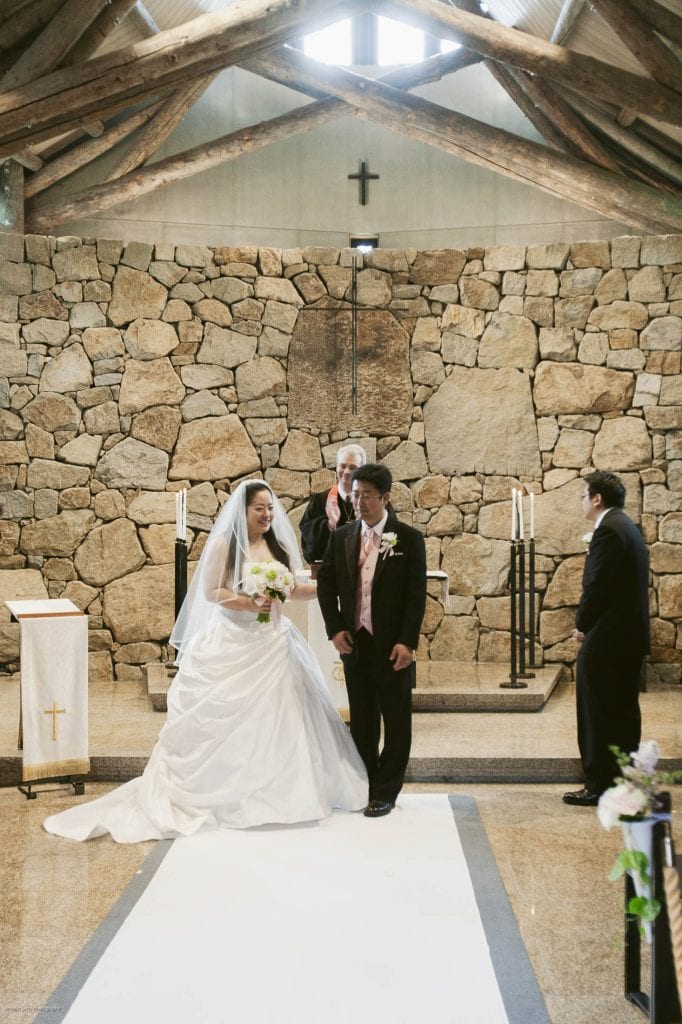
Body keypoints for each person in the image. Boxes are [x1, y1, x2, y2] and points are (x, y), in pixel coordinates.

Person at [43, 480, 367, 842]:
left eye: (270, 508)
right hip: (231, 641)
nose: (267, 514)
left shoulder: (275, 545)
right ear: (243, 511)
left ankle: (287, 792)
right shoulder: (224, 544)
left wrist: (331, 588)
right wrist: (249, 602)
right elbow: (212, 592)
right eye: (259, 508)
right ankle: (227, 792)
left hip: (273, 643)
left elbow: (293, 588)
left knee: (287, 714)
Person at [317, 463, 426, 818]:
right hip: (356, 645)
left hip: (393, 647)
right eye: (356, 494)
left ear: (385, 497)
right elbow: (326, 585)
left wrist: (407, 642)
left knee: (396, 721)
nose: (359, 501)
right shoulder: (342, 536)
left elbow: (415, 596)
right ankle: (367, 781)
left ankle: (386, 791)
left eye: (367, 495)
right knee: (362, 720)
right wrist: (335, 629)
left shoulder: (408, 539)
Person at [563, 471, 650, 807]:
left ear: (597, 498)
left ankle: (598, 784)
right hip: (626, 638)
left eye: (583, 495)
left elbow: (596, 586)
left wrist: (582, 625)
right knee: (623, 713)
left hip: (609, 641)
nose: (581, 501)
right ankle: (624, 782)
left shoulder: (608, 532)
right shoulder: (627, 527)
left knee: (597, 711)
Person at [299, 443, 366, 565]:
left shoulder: (373, 500)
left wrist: (367, 523)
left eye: (352, 467)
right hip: (330, 571)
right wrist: (329, 525)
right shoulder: (320, 500)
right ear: (336, 467)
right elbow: (308, 541)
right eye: (343, 466)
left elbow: (389, 534)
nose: (346, 472)